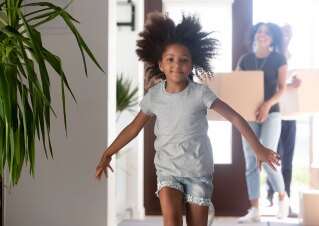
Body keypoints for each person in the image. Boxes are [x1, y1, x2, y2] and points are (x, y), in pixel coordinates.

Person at [94, 12, 280, 226]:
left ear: (192, 65)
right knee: (171, 222)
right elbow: (133, 128)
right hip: (168, 171)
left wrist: (258, 148)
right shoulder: (154, 96)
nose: (177, 64)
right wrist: (108, 153)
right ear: (160, 64)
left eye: (184, 60)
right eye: (170, 59)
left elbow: (234, 117)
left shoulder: (200, 93)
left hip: (198, 171)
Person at [236, 22, 290, 223]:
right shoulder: (245, 59)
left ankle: (283, 197)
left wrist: (266, 105)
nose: (262, 34)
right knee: (251, 161)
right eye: (259, 31)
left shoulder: (279, 58)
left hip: (272, 114)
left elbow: (282, 89)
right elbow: (236, 84)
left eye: (267, 32)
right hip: (248, 115)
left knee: (267, 158)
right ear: (254, 35)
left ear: (273, 37)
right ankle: (254, 209)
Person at [265, 23, 301, 218]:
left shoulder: (295, 59)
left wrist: (297, 82)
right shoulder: (271, 57)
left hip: (291, 115)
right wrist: (287, 83)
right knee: (272, 158)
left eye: (289, 32)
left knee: (288, 161)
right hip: (274, 114)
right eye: (283, 32)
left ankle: (286, 202)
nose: (286, 35)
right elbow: (270, 83)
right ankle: (271, 197)